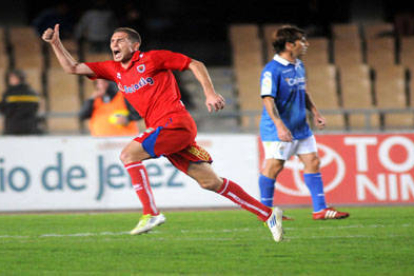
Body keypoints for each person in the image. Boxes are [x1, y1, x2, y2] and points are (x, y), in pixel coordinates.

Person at [42, 24, 284, 242]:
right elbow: (72, 67)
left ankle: (150, 213)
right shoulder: (113, 69)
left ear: (135, 45)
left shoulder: (154, 58)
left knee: (128, 155)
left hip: (175, 122)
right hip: (162, 129)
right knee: (210, 181)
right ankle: (267, 214)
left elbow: (194, 64)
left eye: (120, 40)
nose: (113, 44)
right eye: (112, 41)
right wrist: (56, 43)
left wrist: (210, 93)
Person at [258, 25, 349, 220]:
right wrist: (280, 126)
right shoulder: (271, 70)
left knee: (313, 161)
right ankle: (264, 212)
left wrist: (315, 112)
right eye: (303, 41)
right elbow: (268, 99)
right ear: (290, 45)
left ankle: (320, 209)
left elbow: (303, 91)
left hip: (301, 127)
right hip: (278, 129)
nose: (306, 45)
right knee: (274, 167)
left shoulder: (298, 65)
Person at [0, 70, 41, 135]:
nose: (10, 80)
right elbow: (36, 108)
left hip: (14, 127)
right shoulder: (33, 92)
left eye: (12, 78)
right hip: (29, 127)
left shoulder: (9, 93)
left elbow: (3, 108)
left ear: (18, 79)